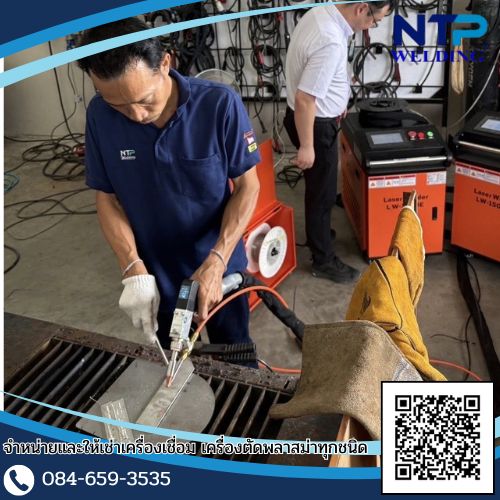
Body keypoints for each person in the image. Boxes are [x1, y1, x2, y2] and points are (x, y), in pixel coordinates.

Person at [78, 18, 261, 355]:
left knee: (235, 355)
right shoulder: (100, 116)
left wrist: (218, 259)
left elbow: (248, 186)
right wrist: (132, 267)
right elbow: (107, 198)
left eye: (145, 100)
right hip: (155, 276)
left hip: (219, 267)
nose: (136, 115)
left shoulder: (218, 104)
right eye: (119, 105)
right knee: (171, 364)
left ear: (165, 63)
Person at [284, 1, 394, 283]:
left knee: (320, 186)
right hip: (314, 125)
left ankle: (319, 233)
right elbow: (305, 99)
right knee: (321, 194)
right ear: (361, 8)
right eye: (375, 20)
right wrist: (307, 146)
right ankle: (323, 259)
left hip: (311, 118)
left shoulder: (323, 13)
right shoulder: (330, 39)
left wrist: (339, 94)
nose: (371, 27)